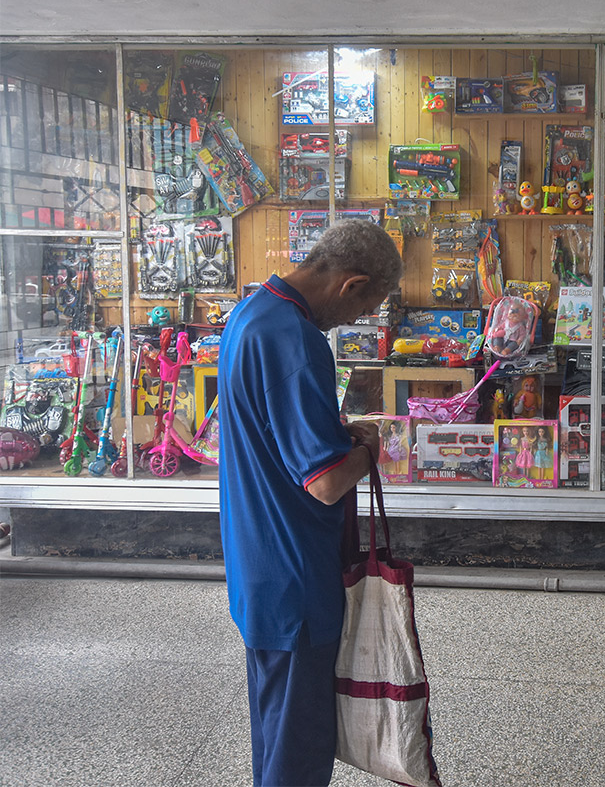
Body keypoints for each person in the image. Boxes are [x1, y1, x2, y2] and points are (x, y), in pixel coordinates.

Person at [218, 219, 403, 787]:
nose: (357, 320)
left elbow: (276, 435)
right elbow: (324, 481)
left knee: (277, 734)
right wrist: (369, 450)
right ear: (352, 284)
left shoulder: (251, 314)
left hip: (260, 565)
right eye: (365, 307)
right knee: (297, 750)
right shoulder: (295, 339)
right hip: (295, 576)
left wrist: (334, 428)